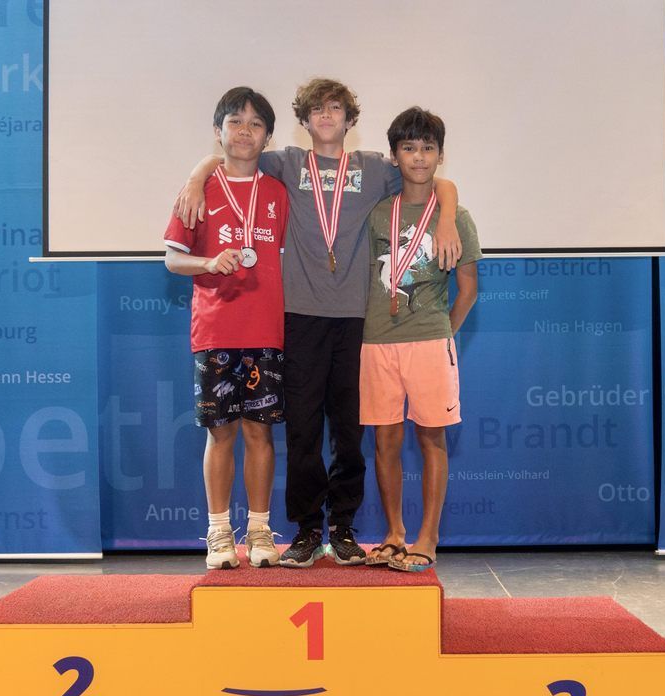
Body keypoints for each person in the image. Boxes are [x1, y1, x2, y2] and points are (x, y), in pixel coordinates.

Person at [176, 78, 463, 567]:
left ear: (350, 121)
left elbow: (433, 178)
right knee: (304, 430)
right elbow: (231, 155)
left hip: (357, 320)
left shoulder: (375, 168)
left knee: (349, 431)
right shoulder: (284, 162)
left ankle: (345, 529)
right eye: (316, 110)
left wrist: (450, 215)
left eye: (336, 109)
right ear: (303, 121)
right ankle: (308, 530)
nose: (326, 116)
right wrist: (196, 176)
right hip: (300, 315)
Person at [164, 87, 290, 569]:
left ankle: (260, 530)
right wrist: (209, 262)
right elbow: (173, 262)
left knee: (261, 434)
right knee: (221, 435)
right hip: (215, 330)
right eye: (235, 121)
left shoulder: (278, 194)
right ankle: (219, 533)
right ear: (217, 131)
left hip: (265, 332)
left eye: (256, 124)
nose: (244, 130)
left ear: (269, 137)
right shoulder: (196, 190)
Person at [360, 107, 480, 572]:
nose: (418, 156)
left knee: (432, 441)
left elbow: (468, 290)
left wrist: (441, 333)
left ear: (440, 155)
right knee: (385, 443)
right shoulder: (377, 215)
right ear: (394, 156)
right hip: (376, 342)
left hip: (430, 342)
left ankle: (427, 537)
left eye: (428, 148)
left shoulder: (456, 217)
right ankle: (393, 534)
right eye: (409, 147)